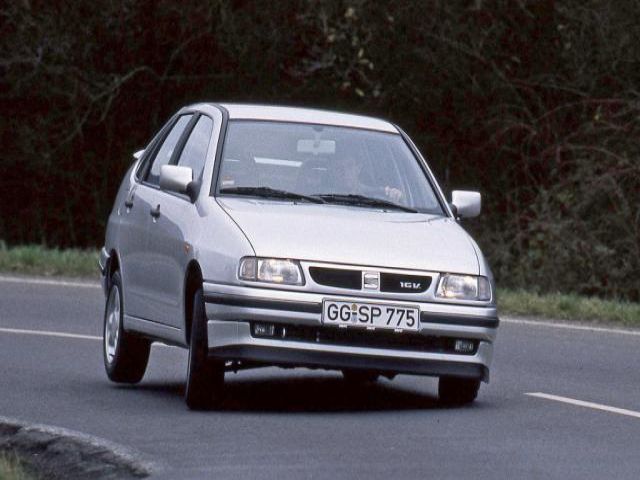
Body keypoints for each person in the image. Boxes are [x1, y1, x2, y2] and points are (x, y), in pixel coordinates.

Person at [331, 154, 404, 202]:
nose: (345, 172)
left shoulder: (377, 197)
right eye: (339, 168)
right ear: (333, 171)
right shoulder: (323, 196)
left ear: (358, 169)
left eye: (350, 166)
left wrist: (395, 199)